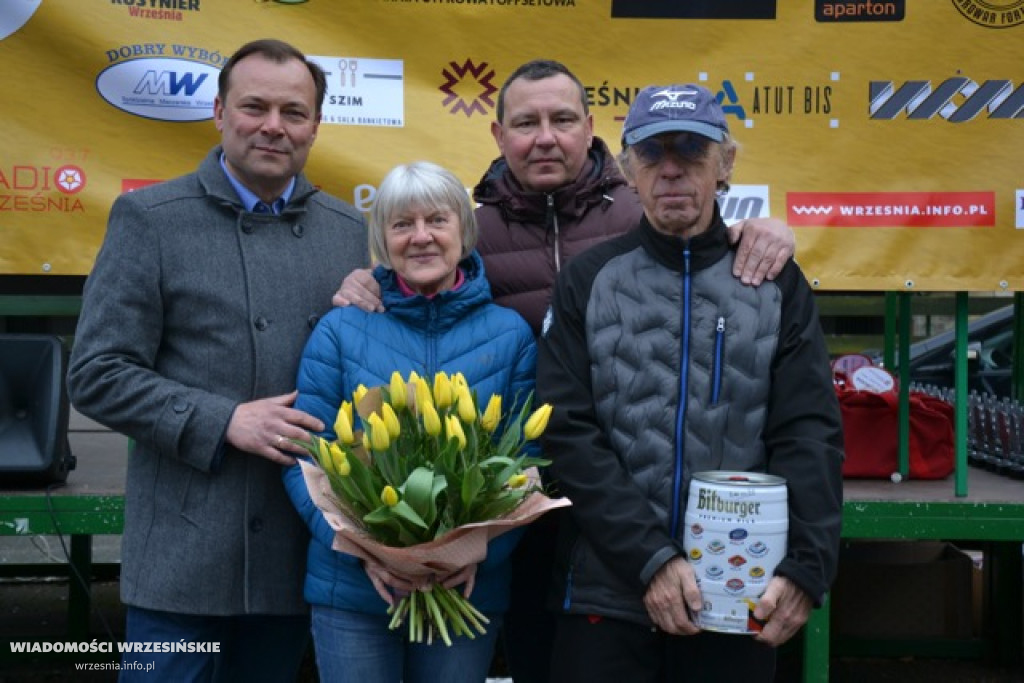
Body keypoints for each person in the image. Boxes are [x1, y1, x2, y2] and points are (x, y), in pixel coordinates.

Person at [334, 59, 797, 683]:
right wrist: (370, 282)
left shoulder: (646, 210)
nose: (544, 136)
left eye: (561, 119)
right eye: (526, 123)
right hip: (509, 517)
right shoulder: (470, 229)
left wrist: (760, 230)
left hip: (621, 513)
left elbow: (707, 243)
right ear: (498, 136)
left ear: (590, 128)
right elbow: (420, 283)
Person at [66, 39, 368, 681]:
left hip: (297, 552)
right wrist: (223, 419)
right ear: (219, 112)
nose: (272, 126)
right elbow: (96, 373)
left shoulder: (351, 233)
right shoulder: (150, 218)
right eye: (254, 106)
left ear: (316, 125)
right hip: (183, 559)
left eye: (293, 112)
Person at [534, 83, 844, 683]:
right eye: (653, 154)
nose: (672, 171)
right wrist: (650, 560)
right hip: (607, 593)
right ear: (627, 169)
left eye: (692, 152)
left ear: (726, 164)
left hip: (738, 595)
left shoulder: (773, 283)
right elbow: (566, 433)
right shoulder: (588, 281)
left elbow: (808, 432)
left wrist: (807, 568)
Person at [283, 161, 538, 683]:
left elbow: (526, 465)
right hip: (353, 589)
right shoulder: (340, 330)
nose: (420, 237)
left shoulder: (510, 334)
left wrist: (480, 553)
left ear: (463, 231)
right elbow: (306, 452)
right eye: (401, 224)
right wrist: (358, 549)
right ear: (382, 239)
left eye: (436, 221)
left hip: (467, 588)